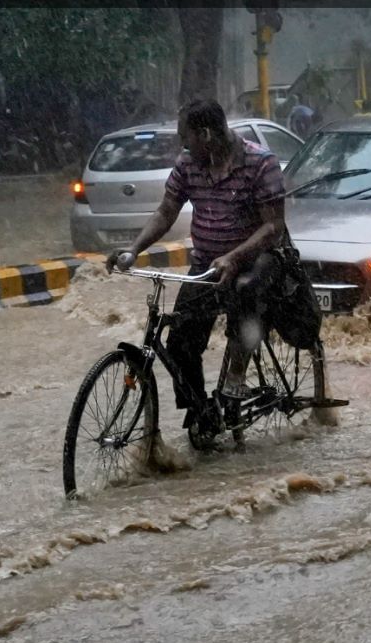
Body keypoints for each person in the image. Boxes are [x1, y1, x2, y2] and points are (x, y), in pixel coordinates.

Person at [106, 98, 286, 445]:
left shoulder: (260, 163)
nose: (181, 144)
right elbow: (166, 211)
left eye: (184, 136)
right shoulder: (189, 163)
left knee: (247, 292)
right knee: (180, 341)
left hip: (255, 260)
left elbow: (272, 227)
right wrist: (133, 249)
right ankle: (200, 410)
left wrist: (234, 257)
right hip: (207, 264)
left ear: (205, 134)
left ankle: (236, 374)